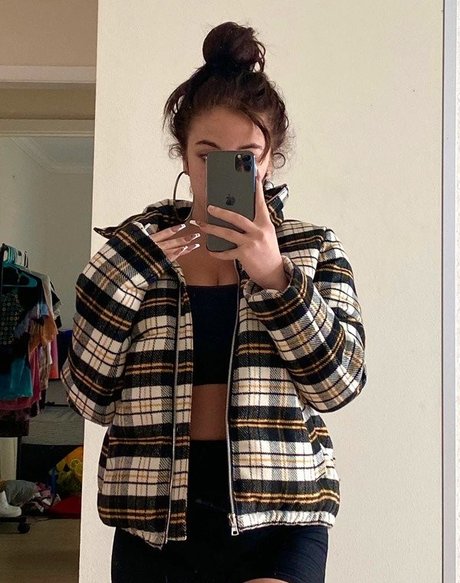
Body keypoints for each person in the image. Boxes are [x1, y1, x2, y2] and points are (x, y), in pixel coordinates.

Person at [62, 21, 366, 583]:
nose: (225, 171)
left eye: (246, 156)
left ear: (270, 159)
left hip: (281, 512)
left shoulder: (312, 248)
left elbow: (338, 386)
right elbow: (88, 399)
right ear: (182, 155)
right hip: (154, 520)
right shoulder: (136, 251)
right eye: (208, 155)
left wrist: (276, 277)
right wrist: (127, 272)